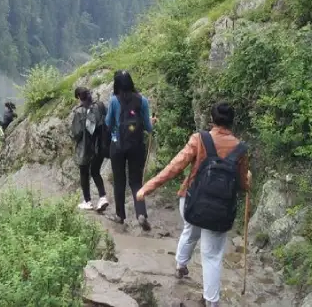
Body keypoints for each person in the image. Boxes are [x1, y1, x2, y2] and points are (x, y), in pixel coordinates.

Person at [136, 102, 252, 307]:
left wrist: (148, 187)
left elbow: (175, 167)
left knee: (190, 231)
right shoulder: (240, 148)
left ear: (212, 119)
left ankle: (181, 264)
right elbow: (243, 185)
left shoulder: (200, 139)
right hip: (221, 211)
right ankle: (212, 301)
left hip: (193, 203)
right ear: (232, 122)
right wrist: (248, 179)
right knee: (212, 255)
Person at [105, 70, 154, 230]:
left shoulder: (113, 101)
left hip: (117, 145)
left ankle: (120, 216)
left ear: (116, 84)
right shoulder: (142, 100)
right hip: (136, 146)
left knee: (119, 181)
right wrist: (152, 122)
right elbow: (148, 127)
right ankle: (141, 214)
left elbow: (108, 123)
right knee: (136, 181)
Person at [70, 87, 109, 212]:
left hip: (85, 148)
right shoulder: (100, 105)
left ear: (78, 98)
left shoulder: (79, 112)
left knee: (84, 173)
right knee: (95, 171)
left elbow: (76, 133)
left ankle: (88, 201)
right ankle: (103, 197)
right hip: (101, 145)